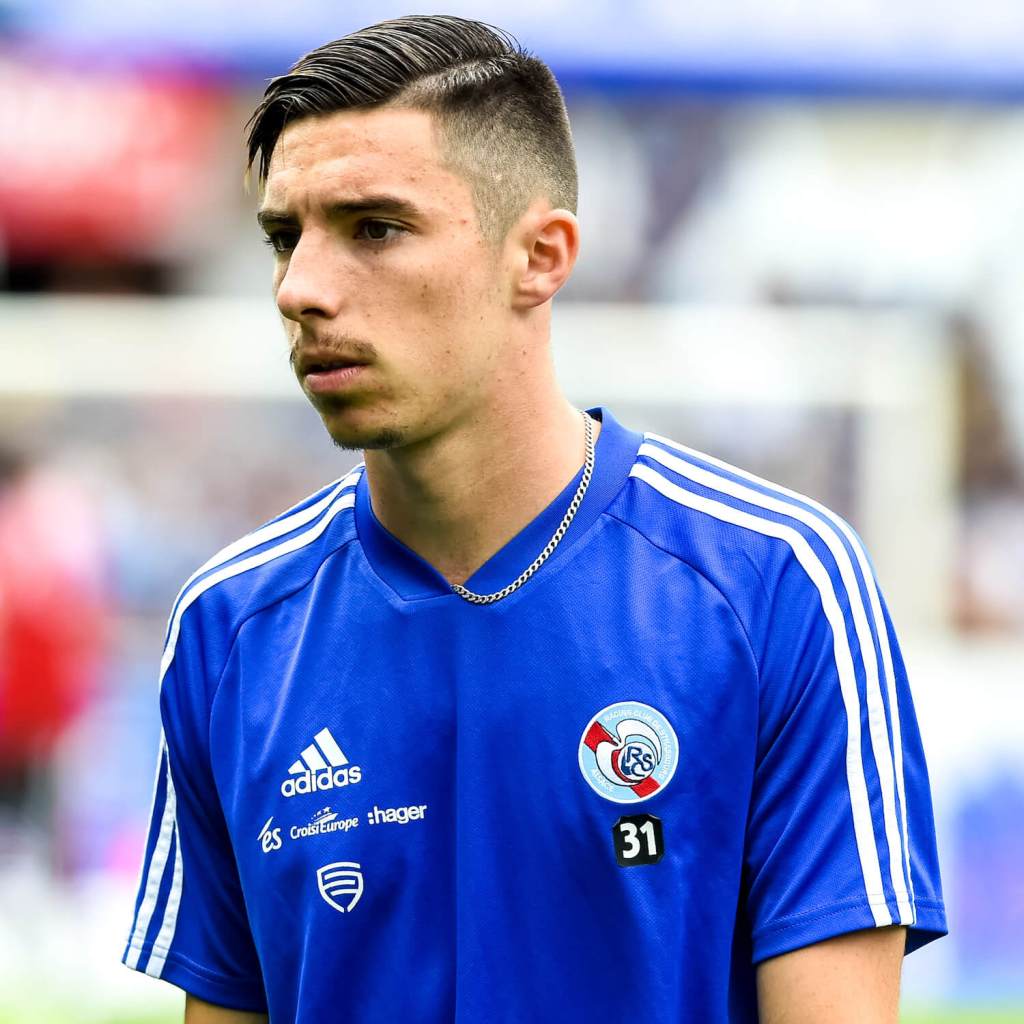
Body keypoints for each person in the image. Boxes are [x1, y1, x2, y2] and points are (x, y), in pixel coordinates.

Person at [122, 15, 946, 1023]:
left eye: (375, 228)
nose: (302, 290)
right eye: (286, 238)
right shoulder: (231, 628)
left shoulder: (776, 585)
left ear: (541, 257)